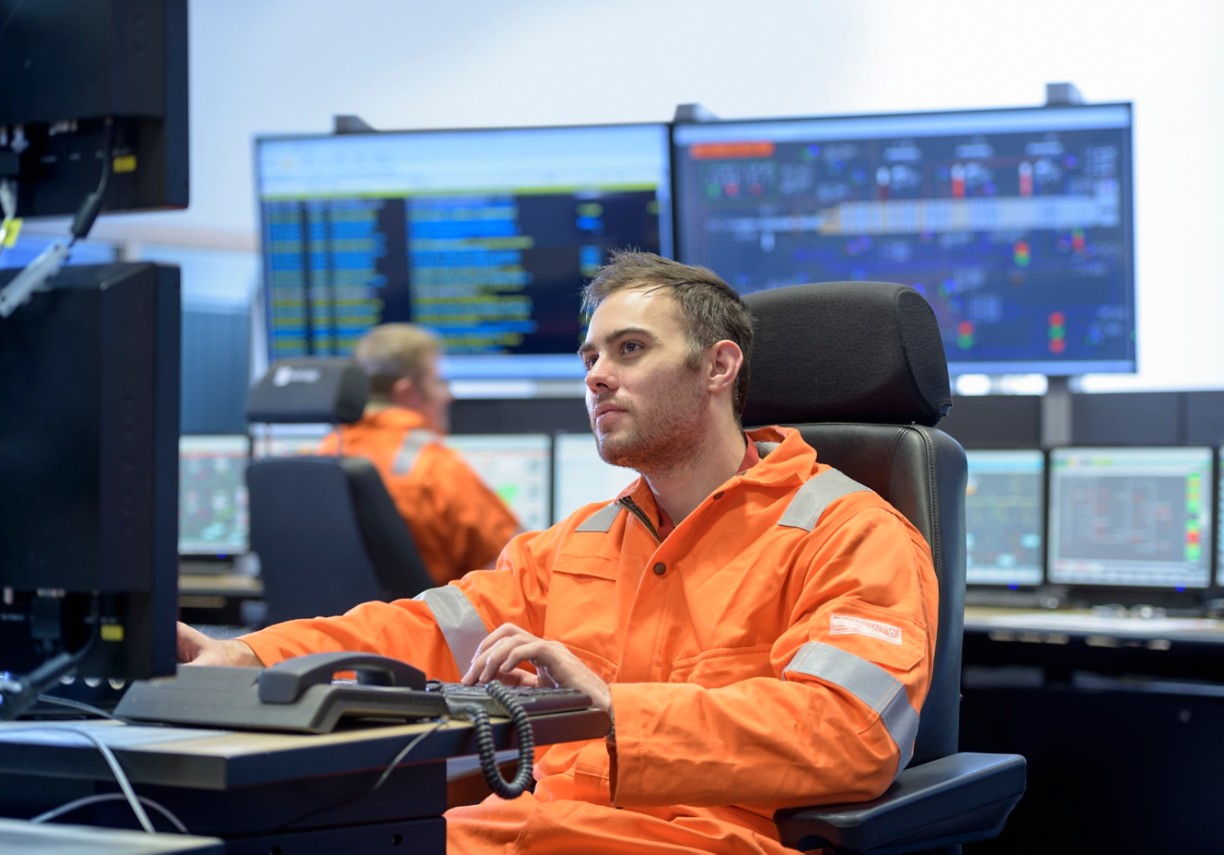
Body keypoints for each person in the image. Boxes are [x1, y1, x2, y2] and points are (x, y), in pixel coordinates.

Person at [179, 251, 939, 854]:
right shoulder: (575, 543)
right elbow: (414, 631)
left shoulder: (850, 531)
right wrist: (248, 657)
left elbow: (848, 729)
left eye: (630, 348)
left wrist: (617, 711)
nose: (597, 374)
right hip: (528, 828)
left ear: (718, 367)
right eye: (589, 357)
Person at [316, 323, 520, 585]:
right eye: (437, 381)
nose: (447, 396)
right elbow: (517, 563)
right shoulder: (433, 468)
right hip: (415, 622)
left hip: (328, 624)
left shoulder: (324, 454)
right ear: (407, 393)